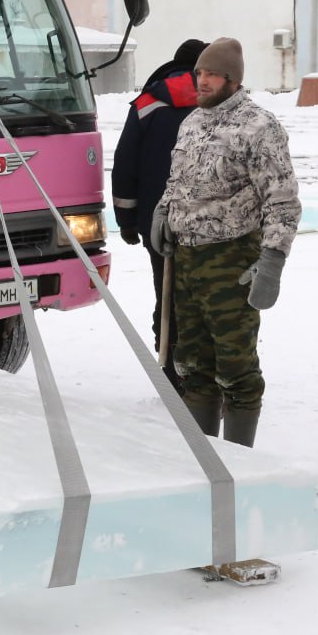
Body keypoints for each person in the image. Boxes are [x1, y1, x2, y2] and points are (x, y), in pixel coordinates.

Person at [150, 38, 301, 448]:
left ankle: (239, 463)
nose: (201, 80)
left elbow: (282, 201)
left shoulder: (259, 127)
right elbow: (178, 180)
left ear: (232, 80)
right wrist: (164, 211)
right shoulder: (193, 122)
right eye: (199, 72)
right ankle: (206, 463)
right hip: (187, 262)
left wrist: (272, 261)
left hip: (231, 260)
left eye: (211, 74)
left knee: (235, 368)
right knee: (193, 366)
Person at [111, 38, 207, 391]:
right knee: (207, 294)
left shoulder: (148, 103)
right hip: (213, 225)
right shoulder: (220, 101)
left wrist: (127, 220)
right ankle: (206, 374)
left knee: (166, 293)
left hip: (158, 224)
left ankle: (169, 368)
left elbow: (125, 164)